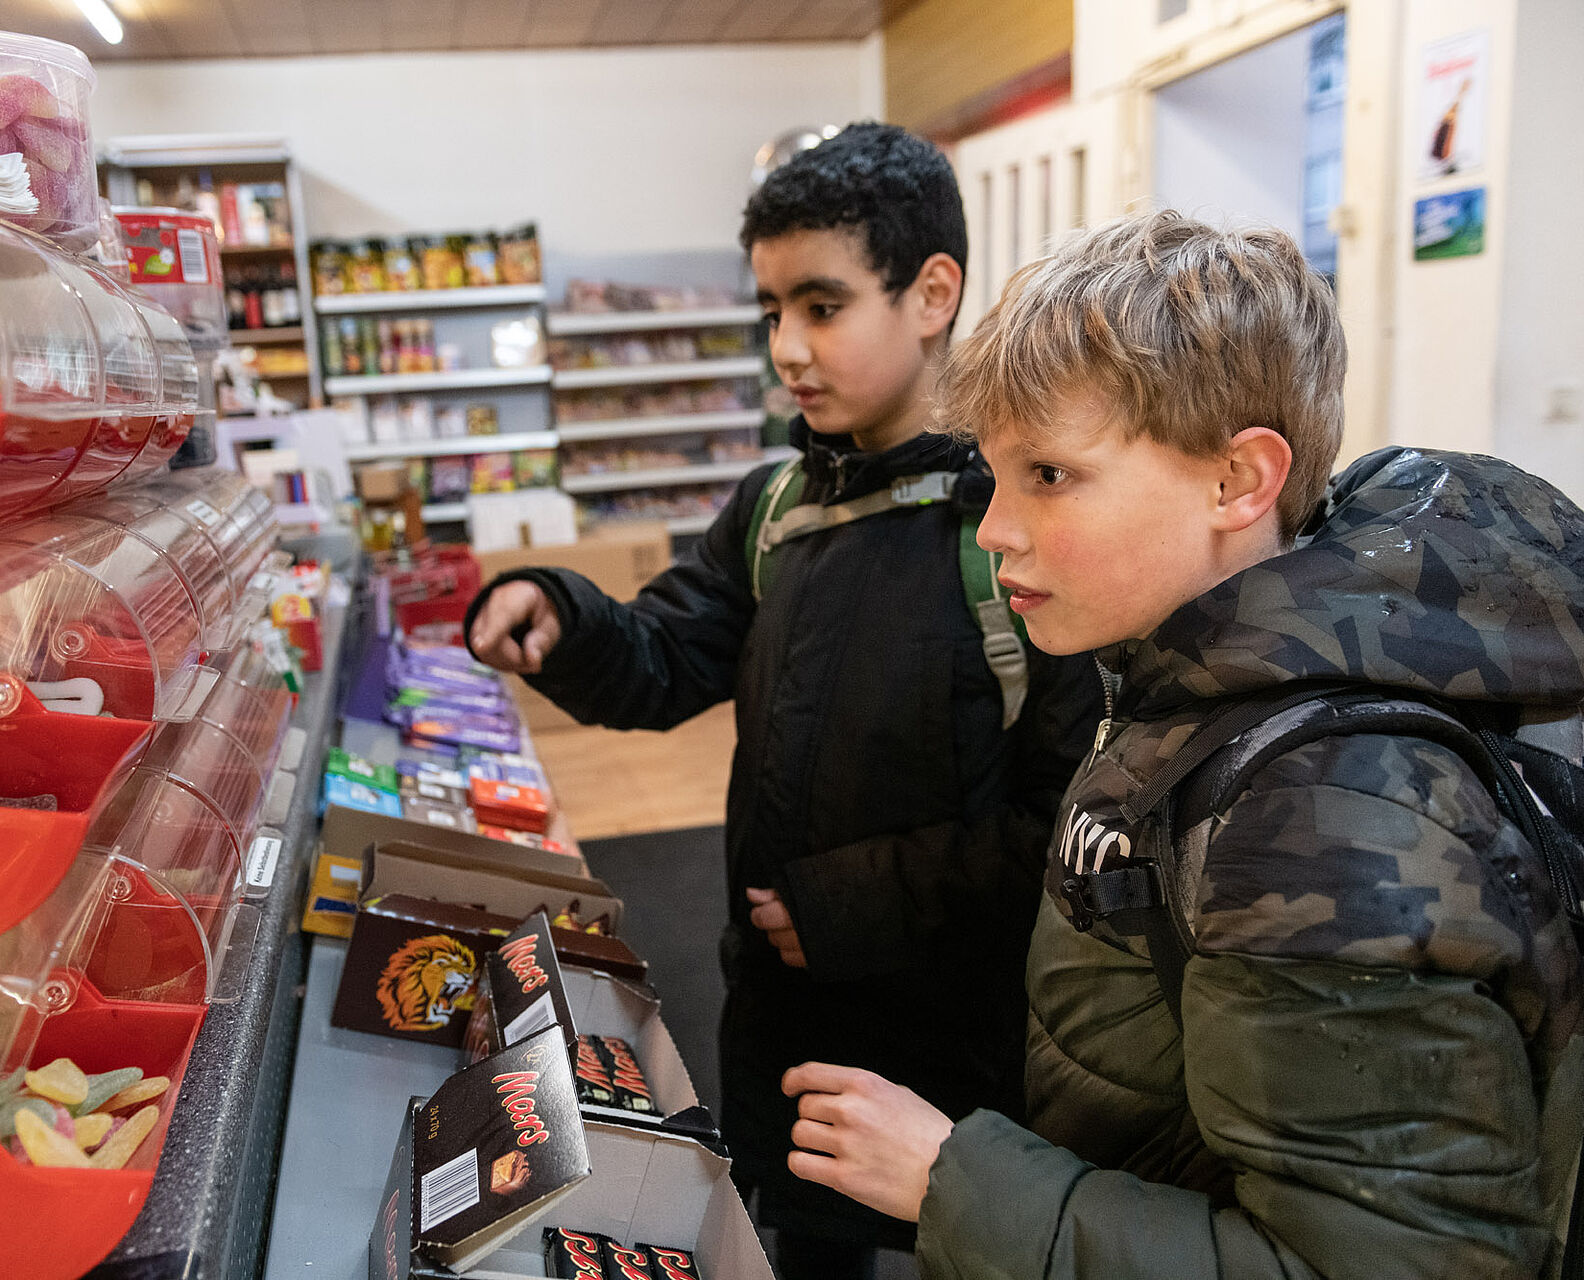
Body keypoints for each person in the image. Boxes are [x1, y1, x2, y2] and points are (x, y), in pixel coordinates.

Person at [781, 209, 1584, 1278]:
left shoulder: (1319, 820)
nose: (995, 528)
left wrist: (950, 1180)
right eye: (995, 473)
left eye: (1051, 476)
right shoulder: (1216, 669)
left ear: (1239, 481)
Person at [464, 122, 1102, 1278]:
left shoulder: (1014, 529)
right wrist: (561, 612)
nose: (787, 351)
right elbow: (664, 655)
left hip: (960, 1050)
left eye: (820, 305)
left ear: (931, 293)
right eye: (771, 312)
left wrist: (845, 903)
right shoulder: (774, 511)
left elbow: (1074, 823)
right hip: (780, 1027)